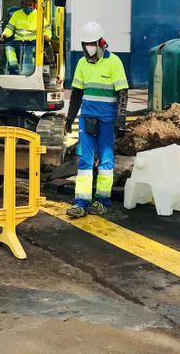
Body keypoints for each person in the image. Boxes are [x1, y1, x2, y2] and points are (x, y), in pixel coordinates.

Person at [64, 21, 129, 218]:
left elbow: (122, 93)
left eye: (91, 44)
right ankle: (81, 202)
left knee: (106, 162)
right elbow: (76, 93)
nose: (87, 48)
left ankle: (102, 201)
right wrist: (70, 118)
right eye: (85, 45)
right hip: (87, 120)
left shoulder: (114, 62)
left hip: (107, 121)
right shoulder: (82, 64)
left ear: (101, 43)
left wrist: (121, 119)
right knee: (84, 160)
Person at [0, 0, 49, 75]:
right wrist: (5, 34)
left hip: (33, 41)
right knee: (9, 47)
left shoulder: (39, 14)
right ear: (22, 5)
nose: (27, 7)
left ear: (34, 5)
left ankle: (32, 72)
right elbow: (10, 27)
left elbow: (46, 28)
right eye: (25, 4)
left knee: (31, 53)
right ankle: (14, 67)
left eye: (30, 5)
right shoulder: (17, 14)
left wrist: (46, 36)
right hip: (18, 40)